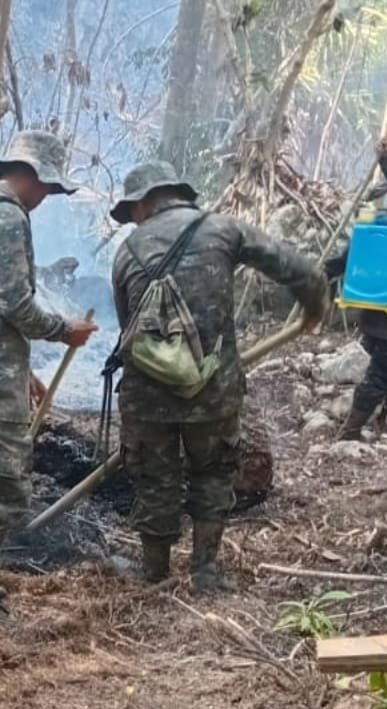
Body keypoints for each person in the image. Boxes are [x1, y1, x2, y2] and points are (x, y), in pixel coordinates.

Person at [109, 161, 326, 589]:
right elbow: (302, 271)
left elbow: (127, 325)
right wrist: (314, 311)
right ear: (177, 192)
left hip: (146, 393)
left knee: (154, 475)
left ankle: (154, 572)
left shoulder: (127, 251)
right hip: (212, 387)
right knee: (213, 470)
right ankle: (205, 570)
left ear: (143, 202)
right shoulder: (225, 229)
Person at [0, 130, 98, 624]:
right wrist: (63, 330)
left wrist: (24, 368)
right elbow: (16, 306)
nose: (46, 198)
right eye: (47, 187)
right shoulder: (8, 218)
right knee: (4, 487)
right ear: (27, 175)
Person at [335, 166, 387, 442]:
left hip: (374, 314)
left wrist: (324, 272)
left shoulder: (378, 221)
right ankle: (349, 432)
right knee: (384, 374)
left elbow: (347, 257)